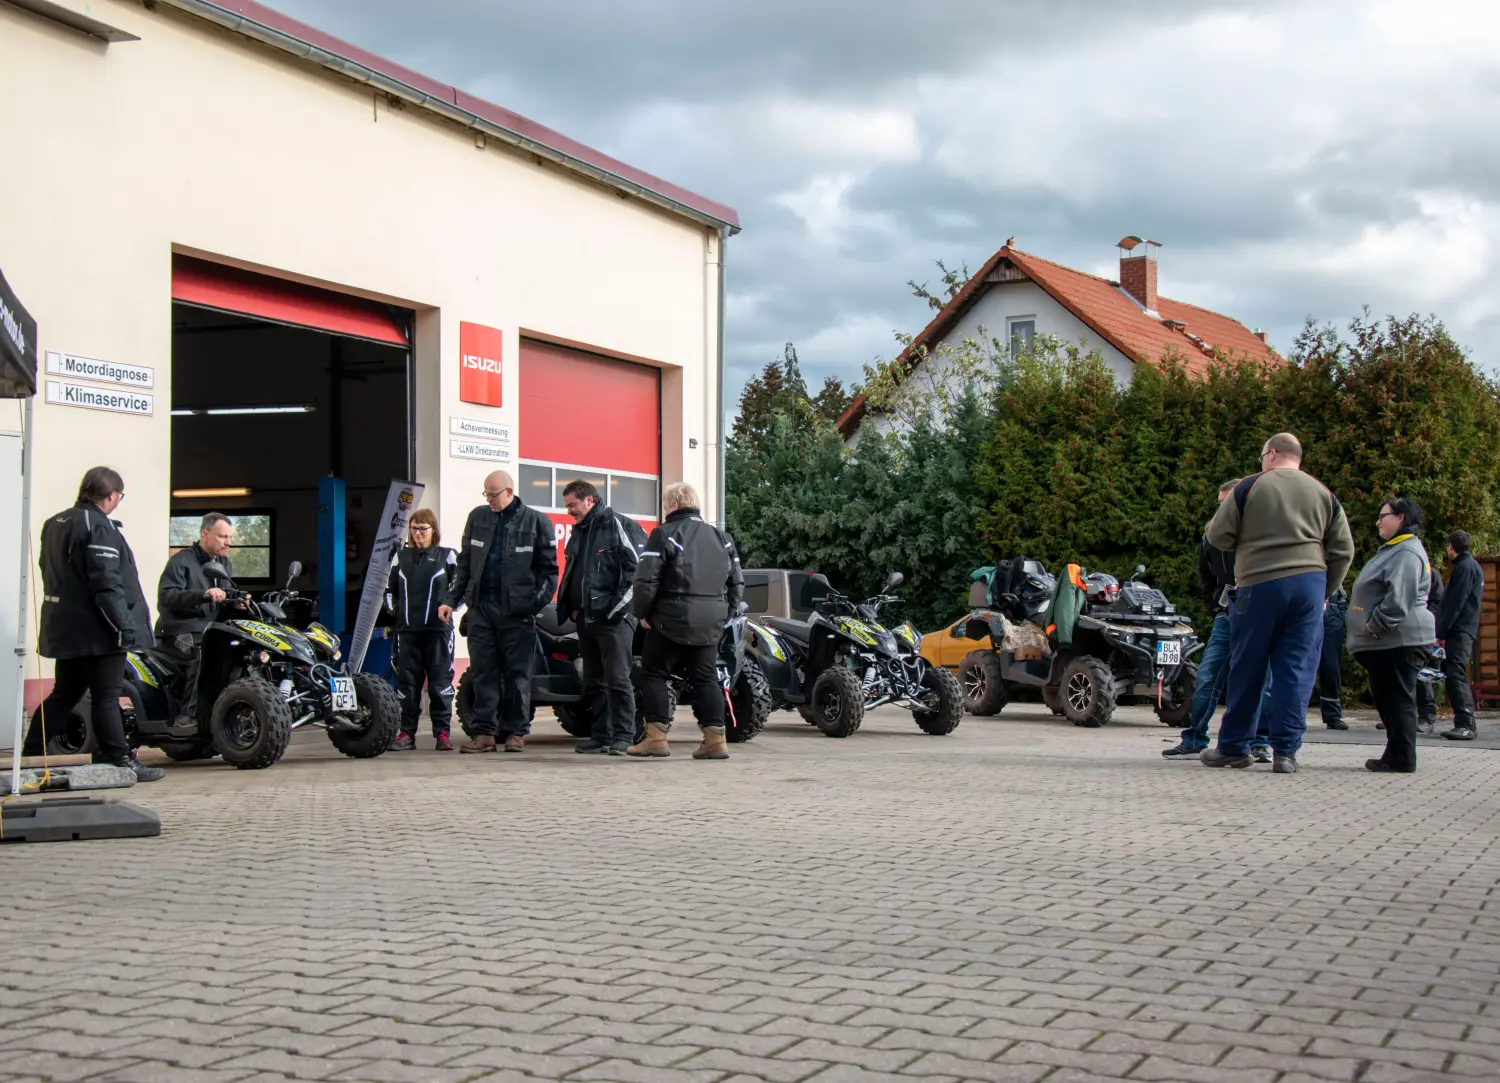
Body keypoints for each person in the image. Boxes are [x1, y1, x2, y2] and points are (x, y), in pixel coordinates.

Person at [1202, 433, 1355, 774]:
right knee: (1296, 671)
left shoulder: (1250, 487)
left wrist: (1250, 541)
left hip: (1259, 583)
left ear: (1271, 455)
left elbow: (1217, 536)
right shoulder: (1323, 493)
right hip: (1309, 587)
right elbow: (1343, 549)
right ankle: (1285, 753)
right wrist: (1325, 592)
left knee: (1248, 667)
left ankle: (1233, 748)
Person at [28, 467, 163, 781]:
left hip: (66, 627)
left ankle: (32, 752)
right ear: (113, 496)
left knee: (65, 693)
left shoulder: (55, 523)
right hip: (100, 630)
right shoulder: (99, 527)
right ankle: (119, 759)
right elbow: (106, 584)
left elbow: (48, 571)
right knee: (106, 694)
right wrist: (124, 626)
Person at [438, 469, 557, 753]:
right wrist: (450, 600)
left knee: (517, 675)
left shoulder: (536, 522)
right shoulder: (478, 518)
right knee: (483, 672)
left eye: (493, 494)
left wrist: (530, 606)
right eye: (486, 494)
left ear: (509, 492)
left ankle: (516, 732)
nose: (489, 499)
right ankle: (484, 734)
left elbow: (549, 573)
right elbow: (465, 564)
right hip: (481, 610)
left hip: (517, 613)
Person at [627, 482, 743, 760]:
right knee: (705, 678)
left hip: (670, 620)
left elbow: (645, 580)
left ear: (675, 505)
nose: (665, 509)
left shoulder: (663, 534)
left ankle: (655, 739)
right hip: (710, 622)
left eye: (666, 504)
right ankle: (715, 741)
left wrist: (641, 613)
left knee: (654, 673)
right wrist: (724, 615)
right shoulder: (723, 538)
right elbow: (736, 583)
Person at [557, 479, 647, 756]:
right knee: (594, 679)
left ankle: (624, 736)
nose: (569, 511)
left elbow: (638, 572)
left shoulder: (619, 525)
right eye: (567, 506)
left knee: (618, 679)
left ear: (589, 500)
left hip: (615, 620)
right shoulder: (579, 532)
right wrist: (572, 607)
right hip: (587, 619)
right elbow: (575, 572)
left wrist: (613, 609)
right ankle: (601, 736)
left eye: (572, 505)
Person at [1349, 497, 1436, 774]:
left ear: (1400, 518)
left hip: (1399, 639)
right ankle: (1396, 752)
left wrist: (1374, 625)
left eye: (1382, 515)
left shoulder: (1407, 552)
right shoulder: (1396, 549)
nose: (1378, 521)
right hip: (1388, 641)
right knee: (1389, 698)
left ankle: (1402, 758)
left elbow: (1398, 599)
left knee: (1397, 698)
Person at [386, 508, 457, 751]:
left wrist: (450, 606)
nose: (418, 534)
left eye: (423, 529)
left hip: (438, 633)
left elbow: (460, 589)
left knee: (440, 684)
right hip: (407, 633)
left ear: (433, 530)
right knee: (407, 684)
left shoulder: (447, 556)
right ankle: (406, 733)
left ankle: (443, 734)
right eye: (414, 528)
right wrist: (394, 611)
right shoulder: (400, 557)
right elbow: (390, 591)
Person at [155, 511, 234, 727]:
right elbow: (166, 597)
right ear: (205, 534)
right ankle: (187, 715)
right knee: (204, 651)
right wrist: (203, 594)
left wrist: (237, 601)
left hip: (210, 628)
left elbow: (225, 599)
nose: (228, 542)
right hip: (177, 630)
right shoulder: (181, 561)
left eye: (229, 537)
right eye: (222, 537)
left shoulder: (224, 564)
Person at [1436, 530, 1484, 741]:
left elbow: (1454, 603)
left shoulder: (1463, 568)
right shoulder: (1472, 567)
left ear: (1451, 547)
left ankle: (1465, 723)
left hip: (1459, 629)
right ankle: (1463, 721)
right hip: (1465, 628)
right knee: (1454, 671)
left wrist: (1441, 631)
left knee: (1455, 673)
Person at [1413, 556, 1445, 734]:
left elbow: (1437, 603)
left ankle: (1427, 717)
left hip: (1424, 630)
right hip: (1406, 629)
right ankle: (1399, 716)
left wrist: (1423, 618)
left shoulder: (1431, 575)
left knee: (1422, 674)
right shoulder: (1406, 574)